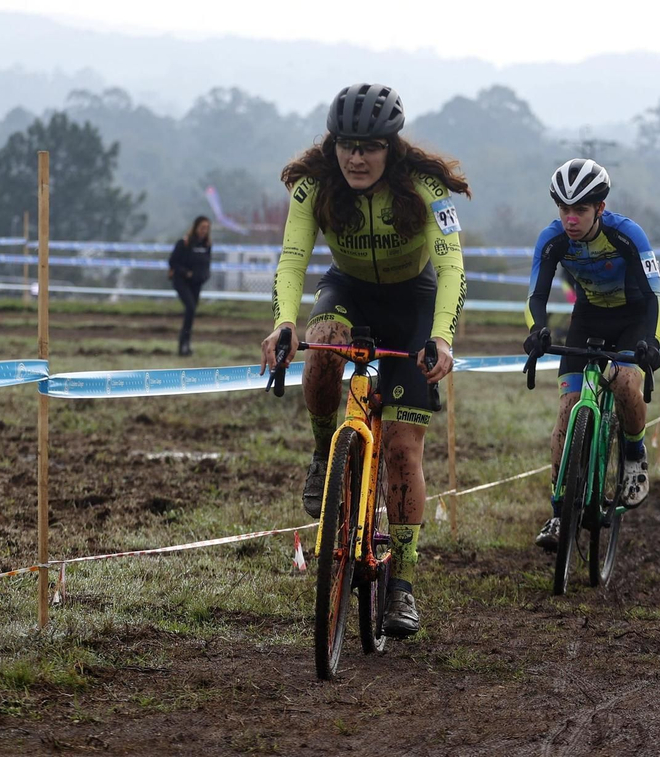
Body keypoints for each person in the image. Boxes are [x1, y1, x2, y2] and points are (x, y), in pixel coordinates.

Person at [258, 83, 467, 639]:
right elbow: (293, 258)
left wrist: (442, 339)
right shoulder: (315, 187)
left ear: (391, 147)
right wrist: (283, 321)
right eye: (347, 145)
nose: (356, 157)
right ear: (334, 145)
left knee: (402, 449)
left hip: (413, 303)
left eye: (369, 146)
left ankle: (402, 583)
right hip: (348, 288)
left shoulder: (425, 189)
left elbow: (451, 269)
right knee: (321, 342)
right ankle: (325, 453)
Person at [524, 159, 660, 552]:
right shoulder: (553, 239)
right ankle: (558, 511)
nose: (571, 219)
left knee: (623, 380)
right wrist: (537, 331)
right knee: (569, 409)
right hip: (588, 318)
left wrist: (651, 342)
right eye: (564, 210)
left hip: (633, 317)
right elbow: (536, 296)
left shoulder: (627, 235)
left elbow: (658, 298)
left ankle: (635, 455)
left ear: (600, 208)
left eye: (580, 210)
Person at [168, 216, 212, 356]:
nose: (204, 231)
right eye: (202, 227)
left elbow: (207, 263)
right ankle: (183, 344)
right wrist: (186, 273)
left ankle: (186, 343)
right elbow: (172, 261)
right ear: (196, 227)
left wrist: (205, 275)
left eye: (206, 228)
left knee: (191, 312)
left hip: (197, 283)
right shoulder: (184, 243)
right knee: (191, 308)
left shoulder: (207, 245)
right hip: (181, 281)